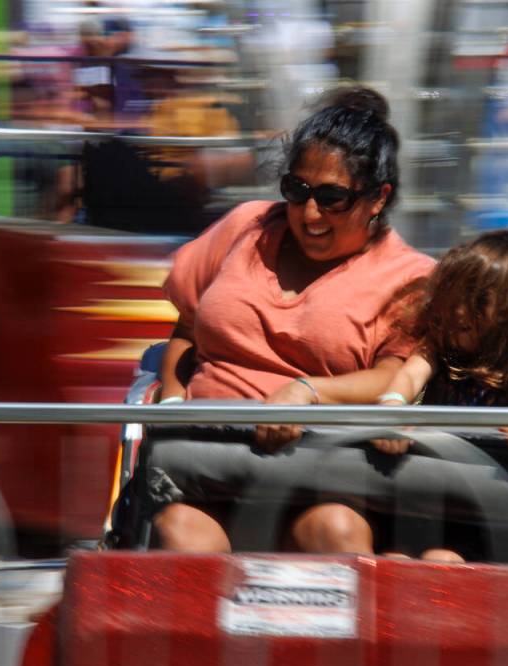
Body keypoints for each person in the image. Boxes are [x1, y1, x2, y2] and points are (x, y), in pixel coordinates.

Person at [150, 86, 435, 553]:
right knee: (179, 534)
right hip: (204, 465)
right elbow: (186, 328)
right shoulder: (246, 226)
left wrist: (307, 394)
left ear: (379, 198)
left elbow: (393, 377)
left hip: (318, 480)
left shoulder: (410, 275)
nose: (309, 212)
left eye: (332, 197)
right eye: (296, 190)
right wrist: (171, 404)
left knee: (337, 532)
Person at [372, 230, 508, 457]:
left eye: (477, 304)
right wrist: (393, 407)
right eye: (454, 300)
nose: (459, 312)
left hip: (504, 474)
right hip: (444, 465)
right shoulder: (439, 347)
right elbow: (409, 377)